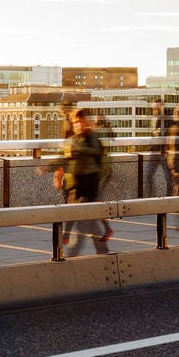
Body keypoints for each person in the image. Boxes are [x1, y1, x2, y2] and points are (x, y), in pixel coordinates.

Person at [54, 108, 110, 255]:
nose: (77, 125)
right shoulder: (76, 138)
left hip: (92, 183)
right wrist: (54, 169)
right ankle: (103, 252)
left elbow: (98, 155)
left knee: (83, 221)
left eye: (79, 122)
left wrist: (77, 149)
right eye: (75, 122)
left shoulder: (91, 137)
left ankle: (72, 256)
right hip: (79, 184)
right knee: (88, 219)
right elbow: (65, 157)